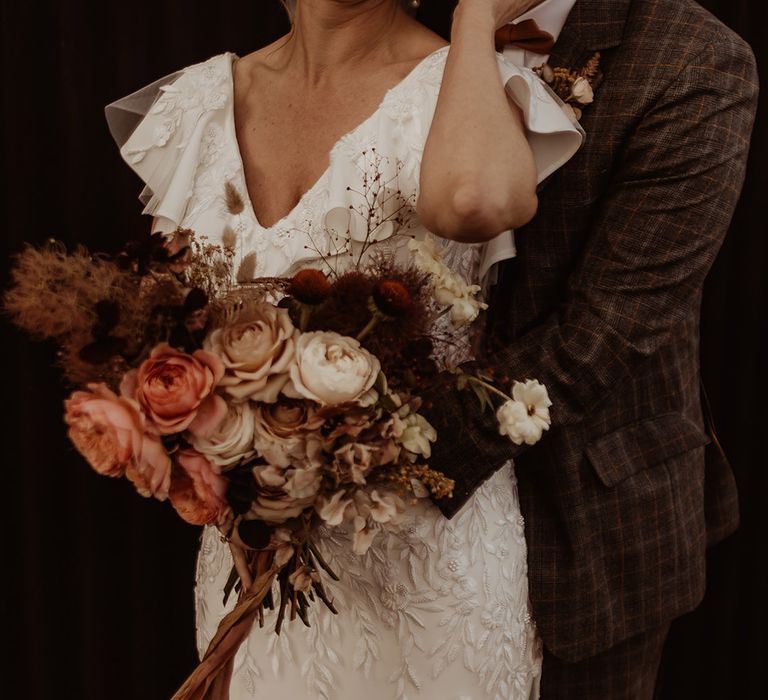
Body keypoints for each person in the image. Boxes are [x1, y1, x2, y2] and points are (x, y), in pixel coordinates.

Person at [105, 0, 583, 698]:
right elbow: (173, 327)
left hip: (426, 580)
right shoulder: (201, 101)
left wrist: (475, 19)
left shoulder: (463, 81)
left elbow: (479, 201)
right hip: (253, 570)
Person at [426, 0, 760, 698]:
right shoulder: (404, 24)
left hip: (594, 517)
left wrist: (395, 450)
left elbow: (603, 333)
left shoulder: (693, 58)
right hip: (391, 546)